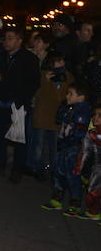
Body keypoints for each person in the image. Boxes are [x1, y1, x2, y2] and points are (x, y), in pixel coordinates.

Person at [0, 28, 40, 182]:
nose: (6, 41)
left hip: (18, 104)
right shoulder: (2, 56)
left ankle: (17, 169)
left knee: (18, 138)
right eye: (5, 38)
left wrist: (20, 100)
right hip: (0, 103)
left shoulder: (29, 58)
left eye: (10, 38)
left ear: (19, 40)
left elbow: (33, 83)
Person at [41, 83, 91, 216]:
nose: (67, 96)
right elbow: (58, 120)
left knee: (72, 176)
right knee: (58, 172)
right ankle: (57, 199)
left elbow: (78, 133)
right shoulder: (69, 107)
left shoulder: (83, 112)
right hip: (62, 145)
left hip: (73, 148)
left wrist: (69, 143)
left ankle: (75, 203)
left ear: (81, 97)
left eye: (70, 94)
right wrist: (63, 107)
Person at [28, 54, 72, 181]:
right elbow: (38, 94)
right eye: (56, 61)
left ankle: (54, 170)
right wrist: (45, 81)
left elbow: (69, 93)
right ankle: (38, 168)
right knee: (39, 144)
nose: (59, 64)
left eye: (61, 60)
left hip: (57, 116)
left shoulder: (67, 76)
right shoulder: (42, 75)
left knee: (55, 146)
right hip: (43, 115)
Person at [75, 104, 101, 221]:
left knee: (93, 190)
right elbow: (85, 151)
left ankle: (94, 212)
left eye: (100, 116)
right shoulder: (91, 132)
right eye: (94, 115)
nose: (96, 118)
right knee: (92, 189)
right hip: (96, 167)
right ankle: (94, 211)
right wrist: (79, 166)